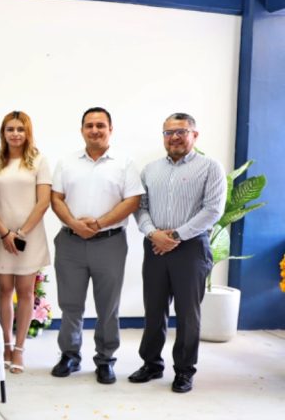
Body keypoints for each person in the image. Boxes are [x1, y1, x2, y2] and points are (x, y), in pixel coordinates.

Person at [131, 113, 226, 394]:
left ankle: (184, 371)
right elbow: (140, 207)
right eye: (168, 132)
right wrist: (153, 234)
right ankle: (151, 364)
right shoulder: (150, 170)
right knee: (154, 309)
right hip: (155, 247)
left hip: (191, 249)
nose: (174, 137)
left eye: (181, 131)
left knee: (187, 314)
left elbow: (213, 210)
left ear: (194, 135)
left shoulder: (210, 168)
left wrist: (174, 236)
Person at [50, 107, 143, 384]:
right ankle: (69, 355)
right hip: (70, 242)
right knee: (70, 304)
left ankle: (105, 359)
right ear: (82, 130)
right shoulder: (67, 162)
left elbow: (132, 201)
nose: (95, 130)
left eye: (100, 125)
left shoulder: (125, 163)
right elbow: (56, 198)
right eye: (89, 125)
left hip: (109, 243)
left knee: (108, 306)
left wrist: (99, 223)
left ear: (110, 129)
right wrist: (74, 224)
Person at [0, 111, 52, 375]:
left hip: (29, 237)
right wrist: (5, 233)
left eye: (20, 129)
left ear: (28, 132)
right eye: (10, 129)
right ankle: (5, 344)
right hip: (0, 236)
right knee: (4, 289)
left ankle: (20, 348)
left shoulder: (39, 161)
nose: (15, 134)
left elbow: (43, 202)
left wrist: (21, 233)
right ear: (3, 133)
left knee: (25, 292)